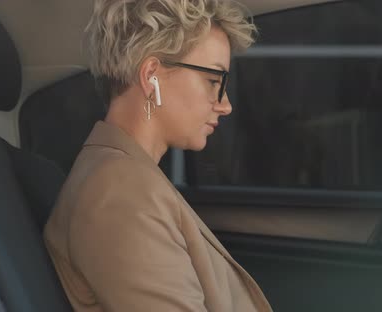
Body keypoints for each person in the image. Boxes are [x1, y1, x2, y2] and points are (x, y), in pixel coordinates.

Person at [43, 1, 272, 311]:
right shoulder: (120, 195)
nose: (225, 104)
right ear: (151, 76)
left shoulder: (127, 177)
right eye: (213, 81)